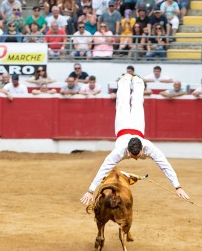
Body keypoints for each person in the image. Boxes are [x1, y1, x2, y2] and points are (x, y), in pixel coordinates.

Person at [80, 74, 190, 206]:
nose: (136, 159)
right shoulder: (120, 151)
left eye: (136, 156)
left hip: (133, 127)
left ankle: (138, 81)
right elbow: (103, 169)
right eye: (134, 156)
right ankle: (125, 80)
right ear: (128, 150)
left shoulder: (148, 146)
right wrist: (90, 190)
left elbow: (165, 165)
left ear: (142, 148)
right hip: (125, 126)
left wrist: (177, 186)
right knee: (122, 103)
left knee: (136, 103)